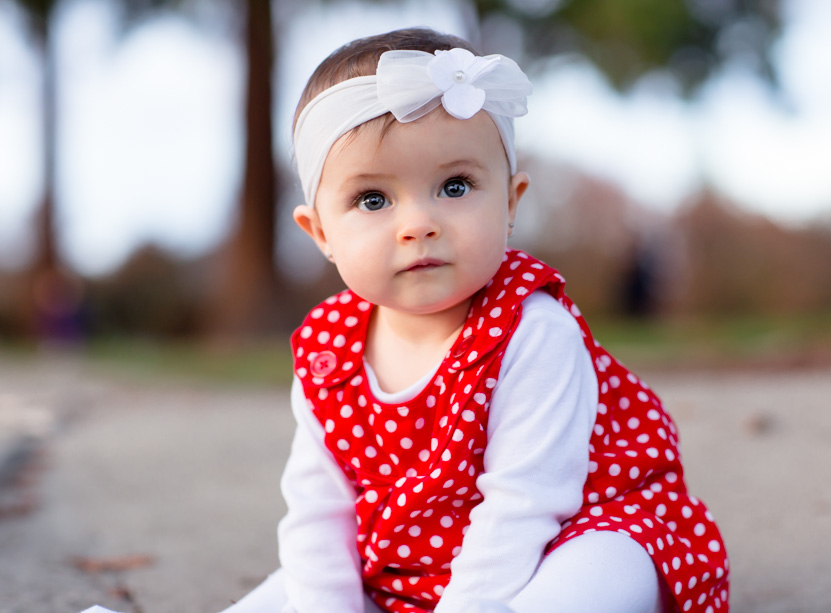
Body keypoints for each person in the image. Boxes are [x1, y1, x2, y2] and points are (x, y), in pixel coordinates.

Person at [82, 26, 729, 613]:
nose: (418, 222)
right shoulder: (329, 354)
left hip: (572, 528)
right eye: (372, 198)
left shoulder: (532, 329)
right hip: (415, 563)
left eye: (454, 185)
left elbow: (525, 504)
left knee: (599, 573)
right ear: (320, 232)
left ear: (510, 201)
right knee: (300, 584)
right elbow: (318, 513)